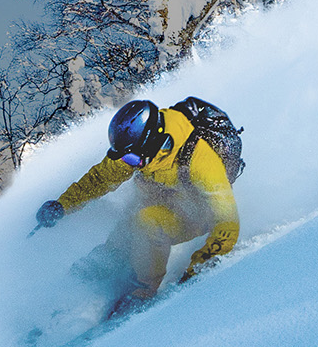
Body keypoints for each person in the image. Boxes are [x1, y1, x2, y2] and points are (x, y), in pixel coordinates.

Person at [34, 97, 240, 317]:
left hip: (198, 212)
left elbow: (227, 222)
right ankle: (108, 260)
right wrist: (63, 205)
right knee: (134, 216)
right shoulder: (138, 148)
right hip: (167, 194)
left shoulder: (201, 161)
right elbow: (100, 179)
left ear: (153, 143)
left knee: (148, 222)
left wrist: (197, 270)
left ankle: (142, 291)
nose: (127, 163)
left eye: (131, 159)